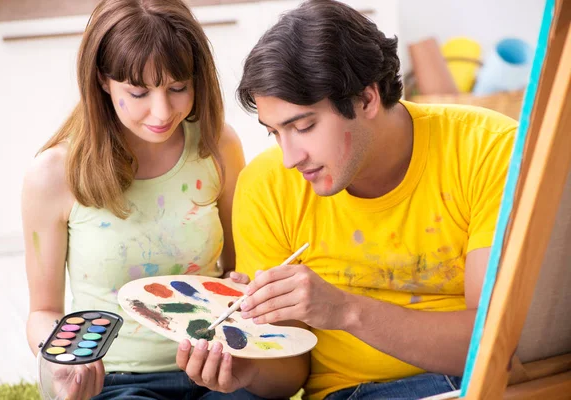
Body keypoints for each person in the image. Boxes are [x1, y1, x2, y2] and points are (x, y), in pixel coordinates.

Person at [177, 0, 517, 399]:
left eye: (303, 126)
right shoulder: (266, 185)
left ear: (367, 99)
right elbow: (289, 376)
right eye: (274, 132)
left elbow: (498, 342)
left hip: (458, 384)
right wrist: (248, 367)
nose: (290, 158)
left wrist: (344, 310)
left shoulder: (487, 149)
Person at [21, 0, 255, 398]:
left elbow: (239, 268)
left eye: (178, 88)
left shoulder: (218, 146)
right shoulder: (53, 175)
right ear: (102, 80)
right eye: (139, 92)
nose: (162, 111)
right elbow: (43, 312)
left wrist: (243, 288)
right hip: (119, 381)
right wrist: (63, 361)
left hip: (215, 367)